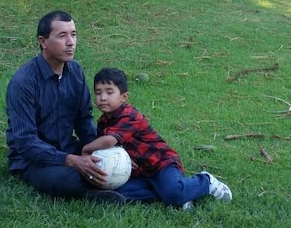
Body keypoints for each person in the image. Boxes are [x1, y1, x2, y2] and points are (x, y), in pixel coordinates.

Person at [5, 11, 124, 202]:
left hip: (68, 147)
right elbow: (26, 142)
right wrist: (72, 161)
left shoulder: (75, 71)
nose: (71, 42)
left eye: (73, 34)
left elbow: (83, 119)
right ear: (43, 41)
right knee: (70, 179)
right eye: (62, 36)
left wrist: (98, 150)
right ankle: (92, 193)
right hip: (32, 160)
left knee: (115, 162)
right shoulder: (23, 83)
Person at [81, 67, 233, 209]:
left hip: (161, 165)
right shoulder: (103, 121)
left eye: (109, 92)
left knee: (173, 193)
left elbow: (109, 141)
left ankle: (205, 181)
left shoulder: (129, 115)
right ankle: (177, 193)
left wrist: (86, 149)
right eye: (98, 93)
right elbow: (110, 149)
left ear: (123, 96)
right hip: (139, 172)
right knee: (118, 191)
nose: (102, 98)